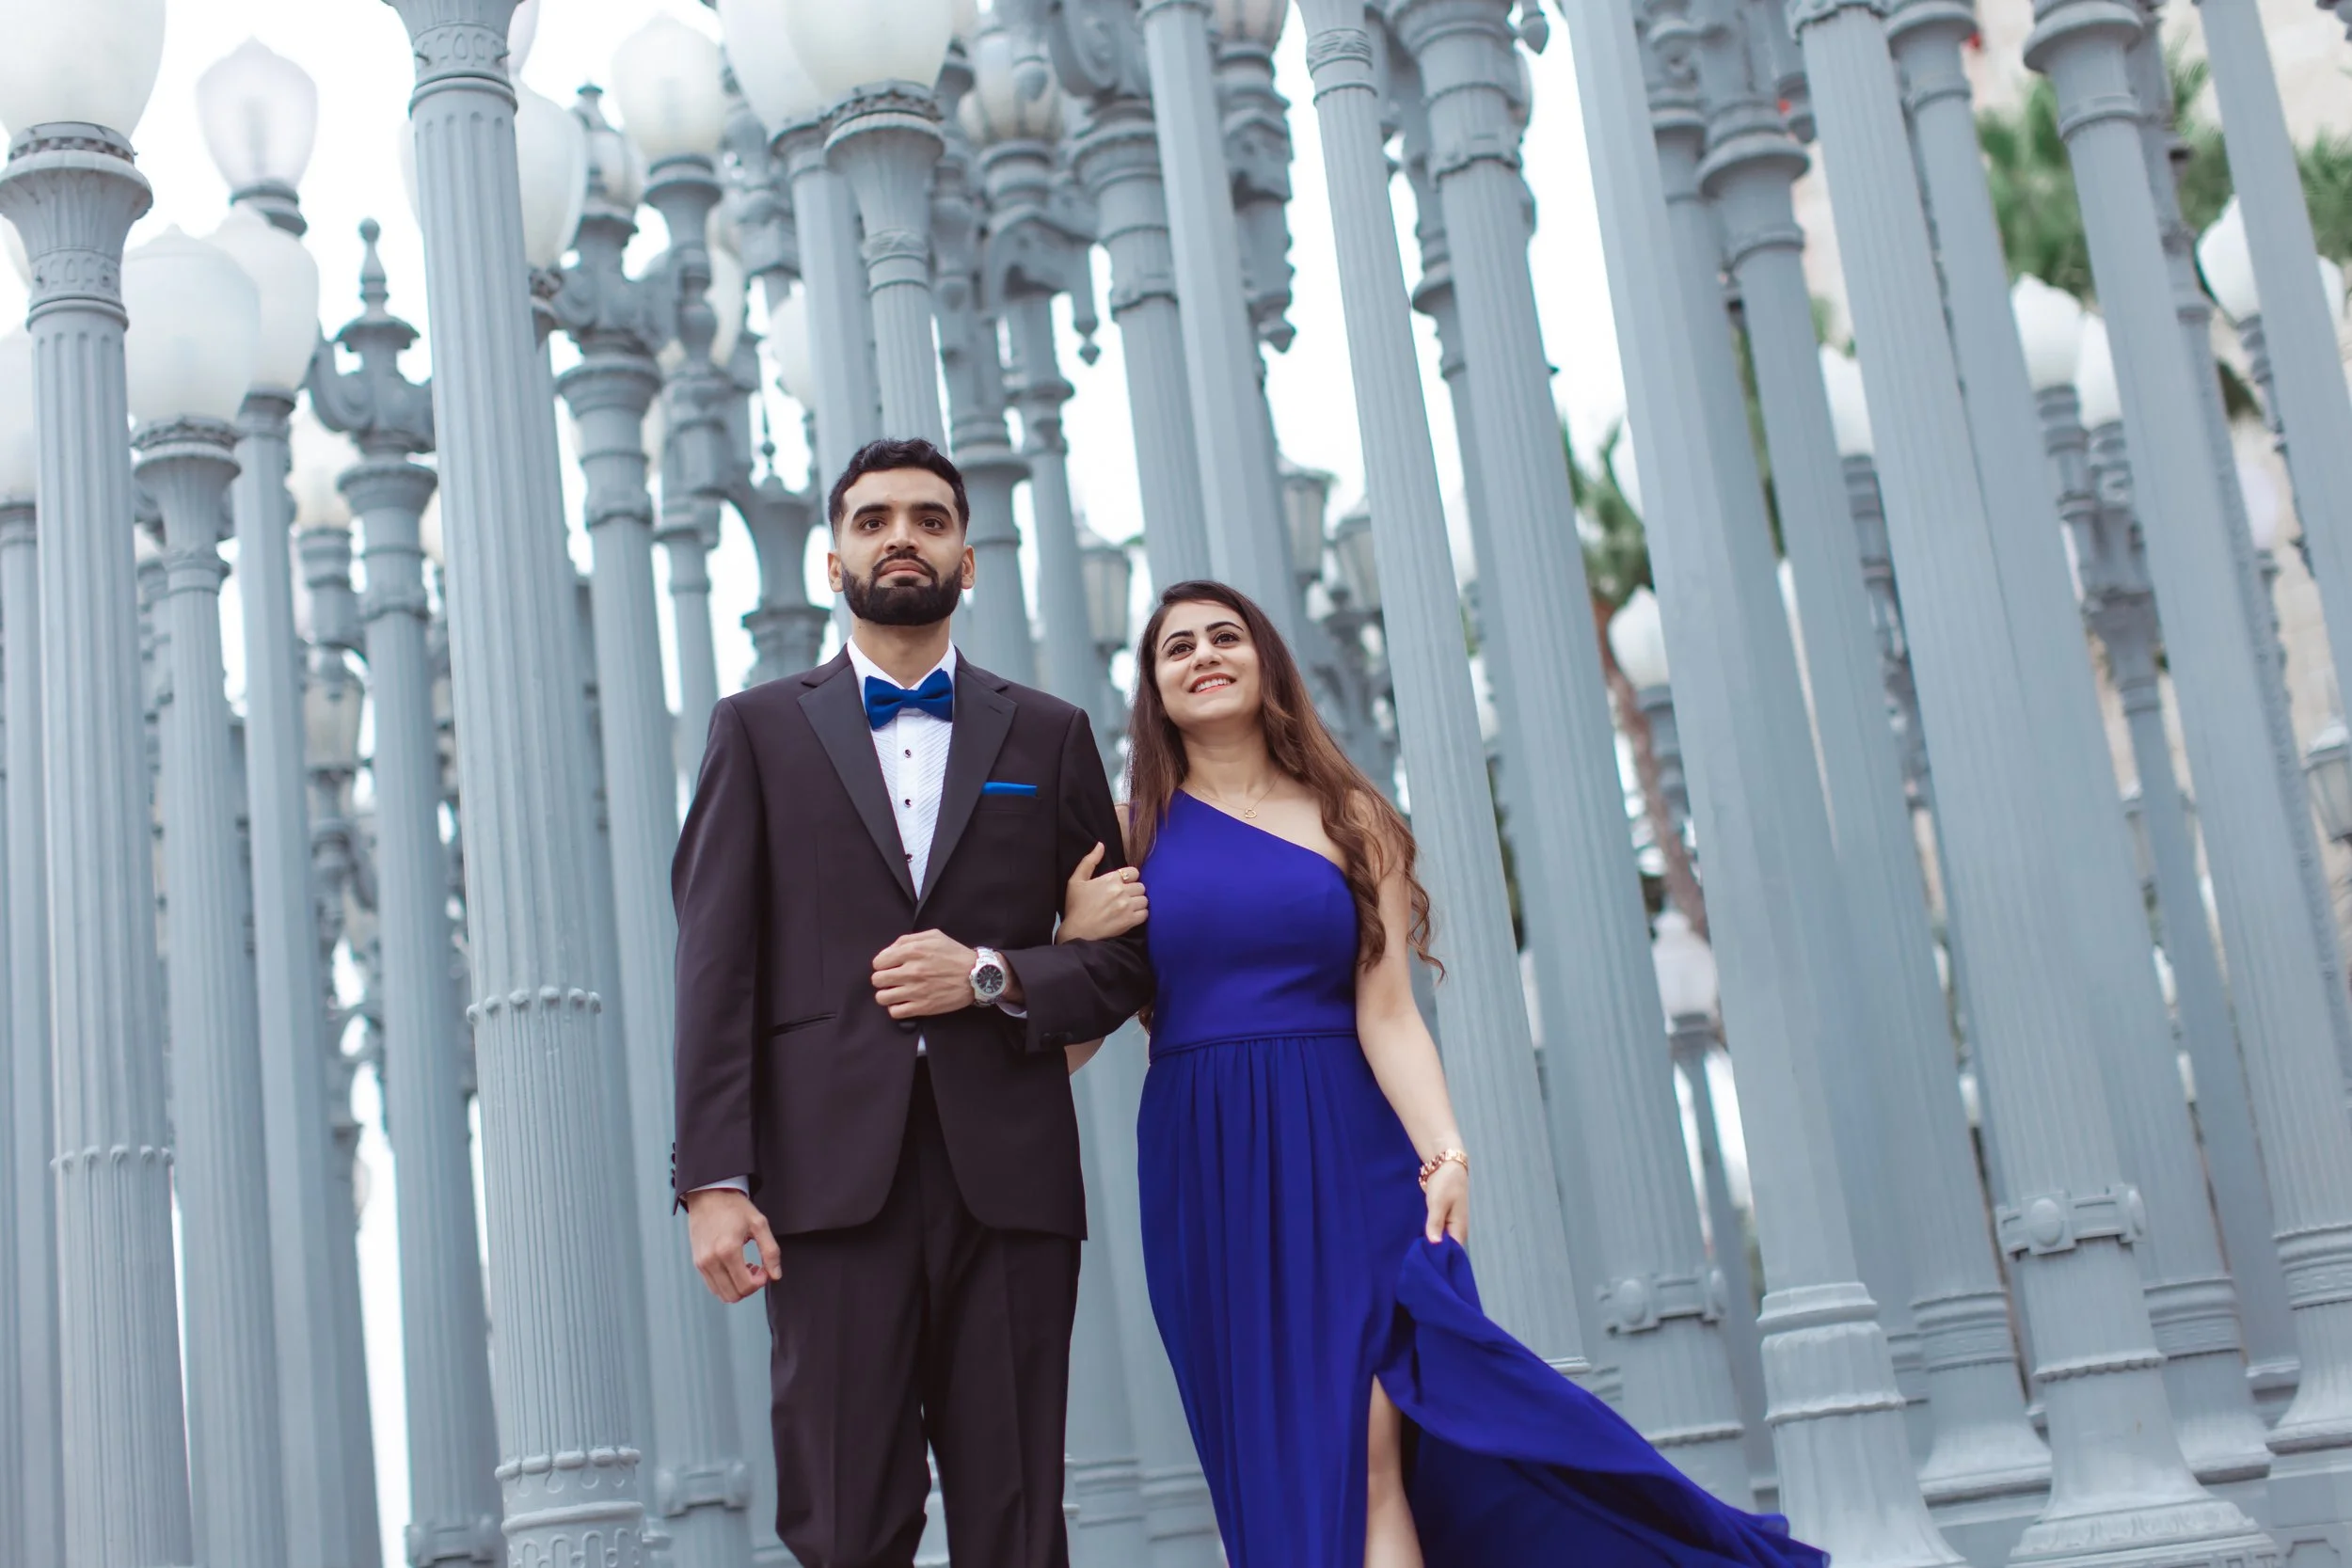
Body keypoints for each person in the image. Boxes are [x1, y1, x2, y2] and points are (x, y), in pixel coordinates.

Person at [1056, 579, 1828, 1568]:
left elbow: (1388, 1013)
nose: (1204, 654)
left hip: (1350, 1153)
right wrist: (1072, 941)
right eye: (1178, 647)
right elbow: (1073, 1037)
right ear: (1154, 689)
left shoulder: (1353, 818)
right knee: (1273, 1456)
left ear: (1265, 662)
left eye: (1225, 636)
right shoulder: (1131, 834)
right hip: (1206, 1168)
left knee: (1368, 1439)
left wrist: (1447, 1152)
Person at [670, 436, 1152, 1568]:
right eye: (874, 519)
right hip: (826, 1187)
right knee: (845, 1521)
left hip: (1010, 1184)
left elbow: (1128, 957)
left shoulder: (1049, 732)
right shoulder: (756, 730)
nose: (902, 537)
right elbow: (713, 967)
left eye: (930, 520)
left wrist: (995, 971)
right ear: (832, 562)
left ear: (967, 561)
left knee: (1017, 1524)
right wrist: (711, 1180)